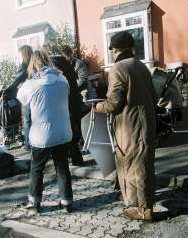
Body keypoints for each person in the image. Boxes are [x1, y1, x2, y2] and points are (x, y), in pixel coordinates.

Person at [94, 31, 157, 221]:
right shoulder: (142, 66)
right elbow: (154, 97)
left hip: (129, 126)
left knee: (133, 166)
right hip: (146, 122)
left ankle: (143, 209)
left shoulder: (119, 68)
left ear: (115, 50)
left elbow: (113, 103)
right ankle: (136, 203)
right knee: (144, 163)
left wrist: (96, 106)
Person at [17, 50, 73, 214]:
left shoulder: (31, 84)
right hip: (63, 132)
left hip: (42, 135)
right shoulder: (62, 79)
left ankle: (34, 203)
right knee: (62, 168)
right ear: (48, 62)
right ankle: (67, 202)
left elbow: (21, 98)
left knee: (37, 169)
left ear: (32, 65)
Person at [51, 55, 84, 166]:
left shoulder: (62, 77)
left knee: (70, 133)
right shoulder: (69, 73)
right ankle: (75, 157)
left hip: (68, 106)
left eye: (53, 66)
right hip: (75, 104)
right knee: (73, 132)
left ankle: (75, 158)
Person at [6, 45, 33, 150]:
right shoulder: (35, 62)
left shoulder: (24, 65)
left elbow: (17, 79)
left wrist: (7, 89)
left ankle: (28, 144)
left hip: (29, 94)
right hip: (38, 92)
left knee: (27, 119)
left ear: (23, 53)